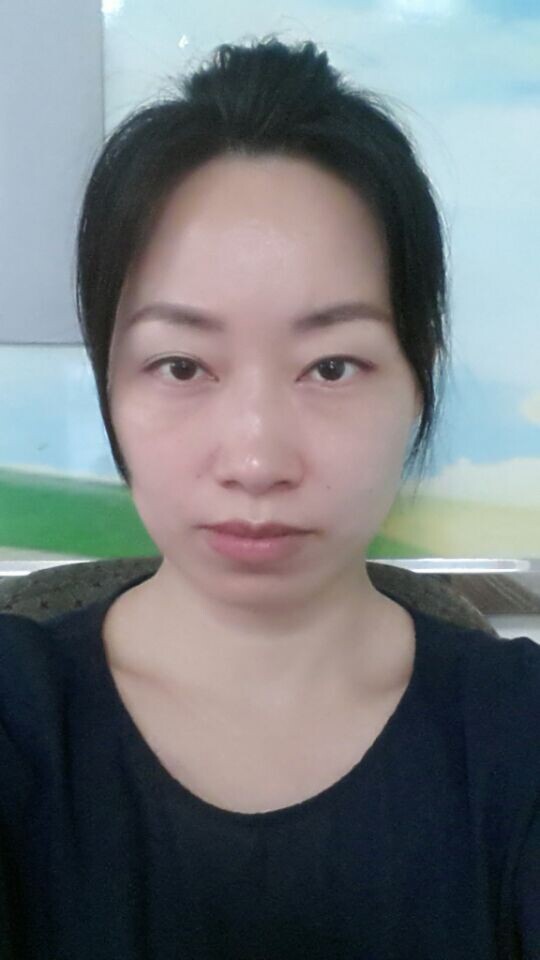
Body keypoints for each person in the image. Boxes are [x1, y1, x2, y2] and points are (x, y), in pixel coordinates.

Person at [0, 36, 538, 960]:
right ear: (109, 387)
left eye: (331, 366)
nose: (256, 460)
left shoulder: (518, 734)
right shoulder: (18, 717)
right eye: (182, 365)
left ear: (418, 385)